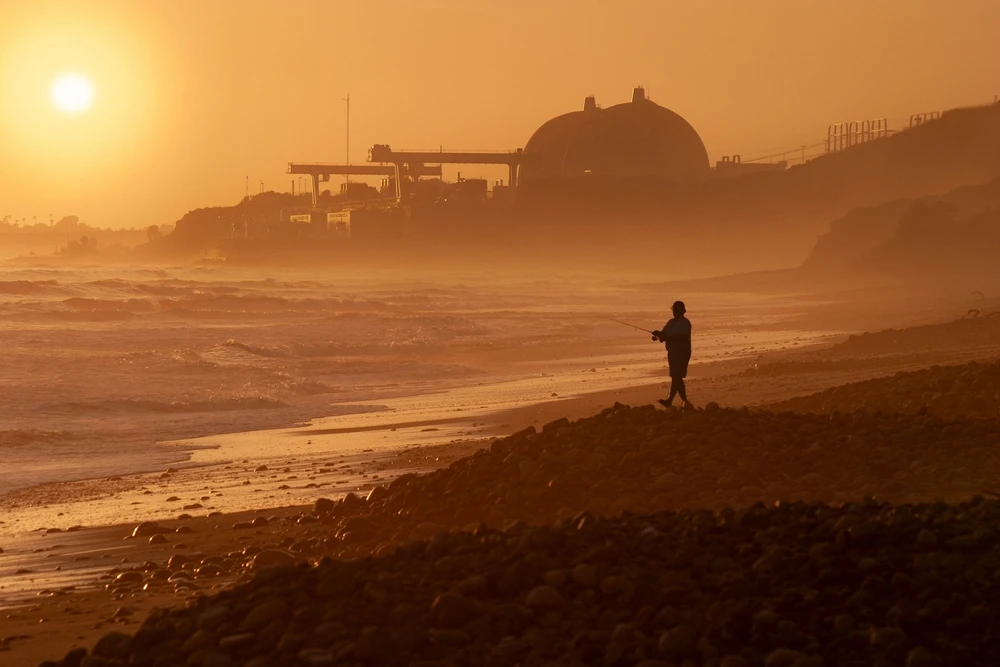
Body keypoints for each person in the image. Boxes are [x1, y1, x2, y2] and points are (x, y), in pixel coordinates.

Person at [652, 300, 692, 408]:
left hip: (682, 352)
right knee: (676, 377)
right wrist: (657, 334)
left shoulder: (685, 322)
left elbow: (683, 336)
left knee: (676, 376)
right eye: (673, 309)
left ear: (681, 310)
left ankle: (676, 401)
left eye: (675, 309)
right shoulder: (670, 322)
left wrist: (667, 338)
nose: (674, 311)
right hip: (672, 353)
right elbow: (664, 334)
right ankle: (680, 402)